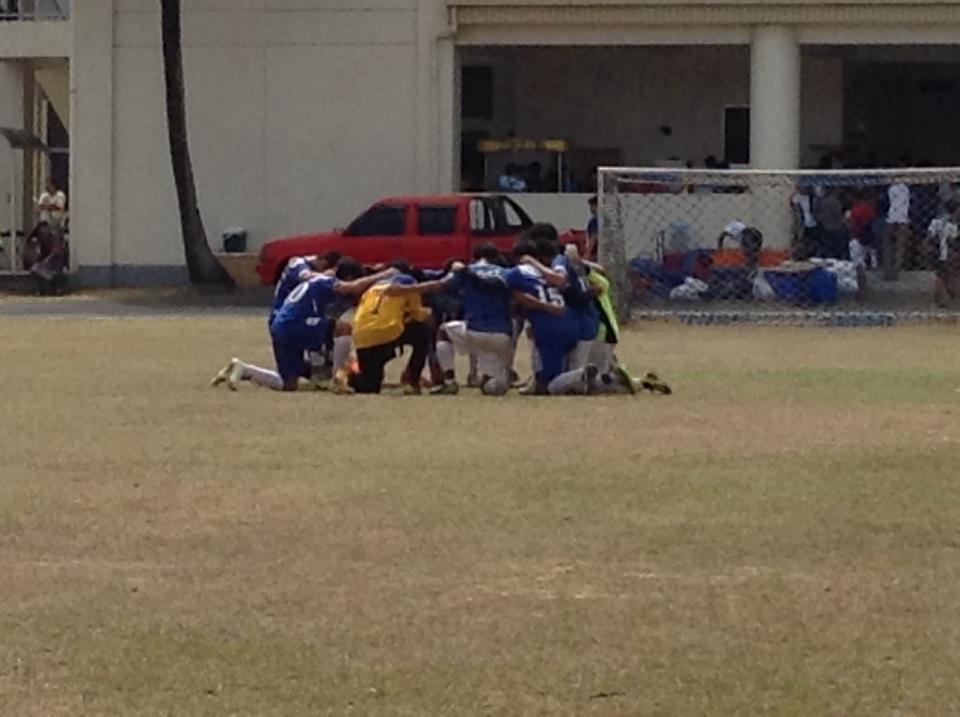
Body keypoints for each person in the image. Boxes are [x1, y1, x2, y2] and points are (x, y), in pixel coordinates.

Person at [212, 259, 394, 392]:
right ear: (347, 276)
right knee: (343, 329)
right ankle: (337, 379)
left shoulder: (319, 281)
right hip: (295, 323)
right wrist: (385, 275)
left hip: (280, 326)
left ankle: (244, 369)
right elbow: (353, 287)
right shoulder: (327, 282)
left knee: (288, 383)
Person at [506, 239, 599, 396]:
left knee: (550, 383)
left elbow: (520, 296)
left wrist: (544, 307)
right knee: (561, 370)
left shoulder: (517, 273)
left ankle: (579, 375)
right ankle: (588, 378)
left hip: (548, 327)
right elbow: (560, 282)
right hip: (570, 321)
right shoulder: (547, 271)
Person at [348, 263, 455, 395]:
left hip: (361, 336)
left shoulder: (373, 287)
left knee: (369, 386)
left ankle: (346, 373)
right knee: (423, 331)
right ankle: (412, 380)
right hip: (386, 332)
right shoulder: (407, 281)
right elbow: (417, 314)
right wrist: (429, 316)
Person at [433, 243, 516, 396]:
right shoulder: (508, 273)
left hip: (474, 330)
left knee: (443, 332)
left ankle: (449, 381)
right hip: (502, 336)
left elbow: (442, 285)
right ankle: (492, 380)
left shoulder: (467, 270)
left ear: (475, 257)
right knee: (489, 385)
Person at [884, 169, 912, 281]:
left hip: (892, 216)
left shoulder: (891, 188)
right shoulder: (905, 188)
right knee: (900, 247)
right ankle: (895, 271)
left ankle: (887, 271)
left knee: (888, 246)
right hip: (902, 217)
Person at [586, 196, 599, 260]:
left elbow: (593, 237)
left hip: (595, 253)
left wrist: (588, 253)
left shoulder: (595, 220)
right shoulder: (605, 219)